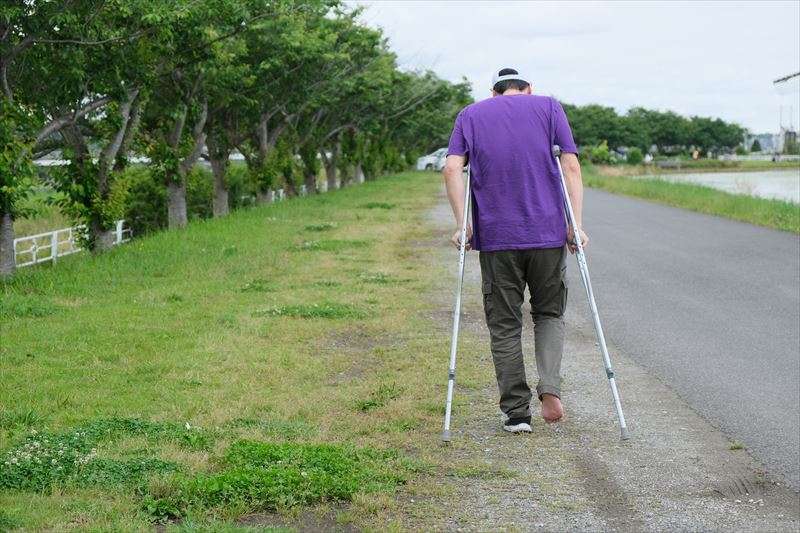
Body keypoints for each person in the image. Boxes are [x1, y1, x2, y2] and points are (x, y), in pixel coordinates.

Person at [442, 67, 587, 434]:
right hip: (547, 235)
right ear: (528, 89)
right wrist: (576, 224)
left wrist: (463, 224)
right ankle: (550, 388)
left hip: (497, 239)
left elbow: (451, 168)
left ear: (494, 93)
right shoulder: (549, 107)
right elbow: (570, 165)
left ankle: (517, 414)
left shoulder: (470, 115)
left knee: (505, 325)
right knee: (549, 314)